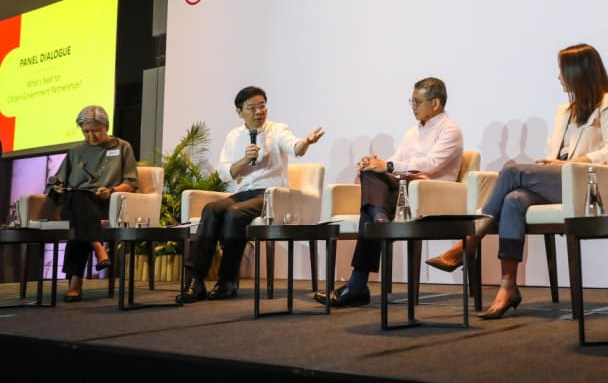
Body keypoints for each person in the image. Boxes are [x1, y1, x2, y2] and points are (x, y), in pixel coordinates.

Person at [426, 43, 608, 319]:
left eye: (562, 71)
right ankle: (508, 287)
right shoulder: (564, 111)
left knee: (510, 172)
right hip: (559, 180)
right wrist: (553, 164)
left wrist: (570, 164)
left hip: (584, 182)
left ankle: (468, 243)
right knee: (513, 200)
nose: (558, 78)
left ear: (578, 72)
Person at [314, 76, 463, 308]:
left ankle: (358, 284)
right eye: (411, 102)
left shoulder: (450, 130)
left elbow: (432, 164)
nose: (413, 107)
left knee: (373, 199)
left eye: (417, 102)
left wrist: (388, 167)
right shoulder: (412, 133)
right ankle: (379, 220)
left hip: (430, 194)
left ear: (435, 103)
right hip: (403, 191)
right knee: (371, 174)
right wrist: (374, 163)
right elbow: (394, 161)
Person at [178, 85, 324, 303]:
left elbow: (295, 147)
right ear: (239, 112)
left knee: (235, 214)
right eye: (252, 108)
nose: (259, 112)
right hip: (243, 192)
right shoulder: (233, 136)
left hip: (270, 195)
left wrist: (306, 142)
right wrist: (245, 160)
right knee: (211, 209)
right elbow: (225, 173)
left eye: (262, 106)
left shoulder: (277, 129)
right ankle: (195, 281)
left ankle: (227, 281)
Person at [46, 105, 138, 302]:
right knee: (79, 199)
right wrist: (58, 185)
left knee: (81, 221)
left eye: (96, 131)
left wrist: (111, 190)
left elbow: (131, 184)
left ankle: (75, 282)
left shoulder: (122, 147)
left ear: (106, 127)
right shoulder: (76, 151)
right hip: (76, 203)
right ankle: (98, 247)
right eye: (86, 131)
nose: (91, 136)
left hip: (105, 204)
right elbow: (59, 182)